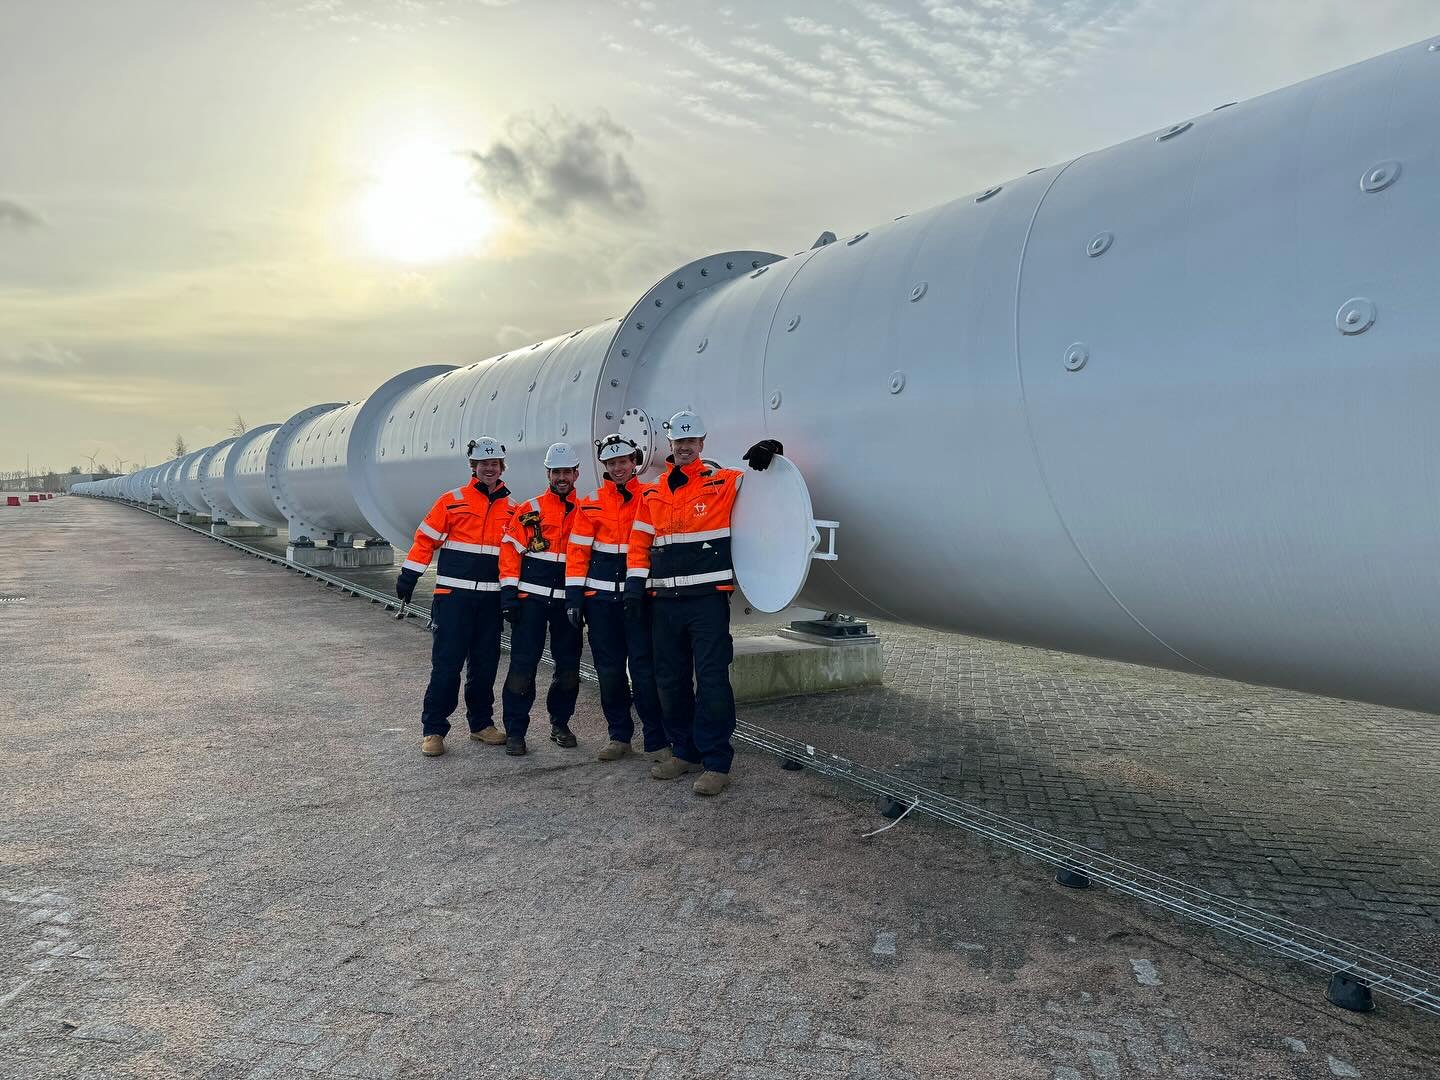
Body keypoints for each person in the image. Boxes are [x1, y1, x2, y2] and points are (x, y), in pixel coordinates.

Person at [626, 411, 783, 796]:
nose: (683, 448)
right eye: (678, 442)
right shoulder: (651, 491)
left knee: (712, 681)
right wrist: (634, 584)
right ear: (670, 445)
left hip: (707, 602)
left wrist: (773, 454)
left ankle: (716, 761)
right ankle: (685, 752)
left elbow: (764, 489)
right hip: (664, 601)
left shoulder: (722, 481)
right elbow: (639, 540)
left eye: (690, 441)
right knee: (671, 681)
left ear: (701, 444)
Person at [397, 436, 516, 757]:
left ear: (502, 467)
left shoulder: (513, 510)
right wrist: (409, 575)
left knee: (484, 666)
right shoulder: (451, 502)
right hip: (454, 599)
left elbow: (510, 559)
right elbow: (425, 540)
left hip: (489, 604)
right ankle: (434, 729)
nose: (489, 469)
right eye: (483, 464)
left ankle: (481, 725)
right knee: (447, 666)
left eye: (494, 464)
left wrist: (509, 595)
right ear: (473, 467)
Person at [565, 434, 669, 763]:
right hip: (600, 604)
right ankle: (619, 735)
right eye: (611, 463)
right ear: (605, 467)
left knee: (644, 671)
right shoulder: (591, 503)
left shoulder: (651, 496)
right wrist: (574, 597)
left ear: (634, 462)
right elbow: (577, 551)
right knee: (609, 672)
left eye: (623, 461)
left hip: (640, 600)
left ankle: (656, 740)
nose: (618, 468)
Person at [498, 442, 584, 756]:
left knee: (568, 668)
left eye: (567, 472)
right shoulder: (530, 509)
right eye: (556, 471)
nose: (562, 477)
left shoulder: (585, 511)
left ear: (576, 473)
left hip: (567, 604)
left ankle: (560, 723)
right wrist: (509, 594)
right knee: (522, 667)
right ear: (548, 473)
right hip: (530, 602)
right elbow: (509, 551)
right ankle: (515, 731)